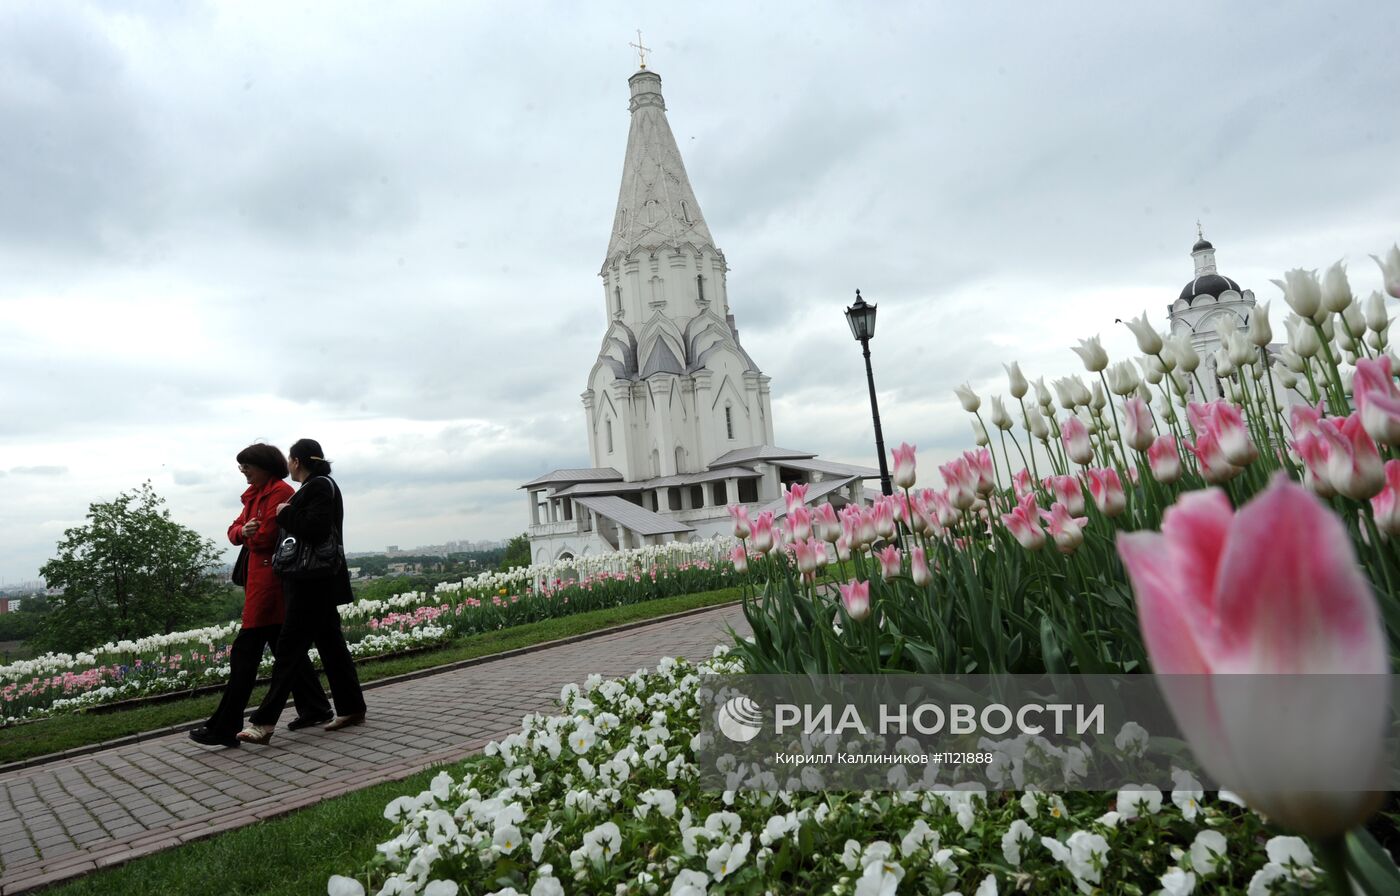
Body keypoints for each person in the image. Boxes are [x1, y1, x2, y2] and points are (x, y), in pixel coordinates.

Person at [190, 444, 332, 748]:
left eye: (246, 465)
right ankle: (316, 707)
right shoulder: (255, 495)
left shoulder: (279, 492)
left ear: (264, 465)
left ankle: (225, 726)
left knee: (244, 655)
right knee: (285, 651)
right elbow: (233, 531)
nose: (242, 470)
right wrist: (244, 532)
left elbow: (267, 536)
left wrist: (250, 533)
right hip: (259, 582)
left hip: (270, 585)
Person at [238, 438, 366, 744]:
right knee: (331, 646)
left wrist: (285, 513)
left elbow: (316, 529)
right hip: (317, 581)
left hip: (310, 583)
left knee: (289, 650)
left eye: (290, 461)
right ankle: (352, 708)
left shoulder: (319, 486)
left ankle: (263, 722)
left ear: (297, 461)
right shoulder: (320, 486)